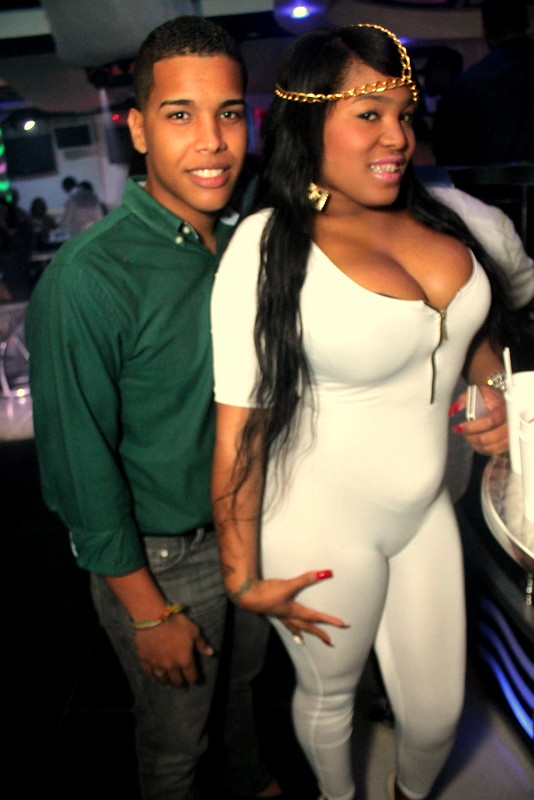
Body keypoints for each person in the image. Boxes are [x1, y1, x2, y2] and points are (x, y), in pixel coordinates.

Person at [210, 24, 510, 800]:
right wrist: (241, 577)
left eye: (405, 115)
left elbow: (475, 343)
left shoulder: (438, 219)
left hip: (426, 513)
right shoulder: (270, 244)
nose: (397, 137)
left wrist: (499, 399)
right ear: (310, 120)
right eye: (369, 114)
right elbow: (240, 427)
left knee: (437, 716)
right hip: (318, 523)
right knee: (331, 696)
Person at [27, 15, 279, 800]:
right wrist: (147, 613)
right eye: (179, 115)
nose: (211, 141)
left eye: (228, 113)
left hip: (248, 526)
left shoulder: (247, 239)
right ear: (137, 129)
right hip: (164, 560)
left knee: (243, 699)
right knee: (176, 750)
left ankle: (253, 783)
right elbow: (78, 471)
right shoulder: (87, 279)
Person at [432, 0, 534, 166]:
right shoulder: (465, 87)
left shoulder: (463, 87)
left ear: (484, 30)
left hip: (489, 182)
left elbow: (448, 156)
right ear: (528, 20)